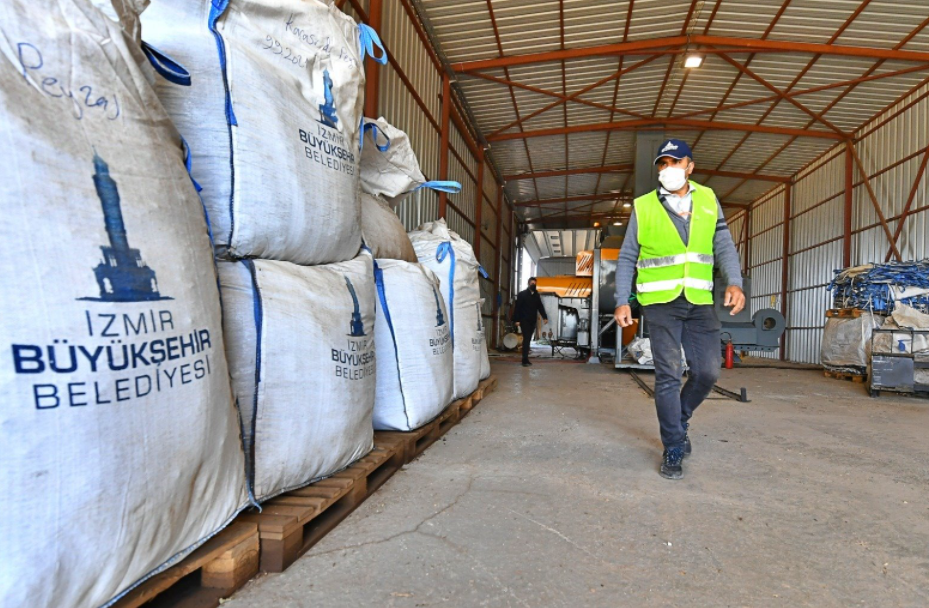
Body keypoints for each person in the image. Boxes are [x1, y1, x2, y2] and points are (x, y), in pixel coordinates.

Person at [613, 138, 745, 480]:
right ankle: (673, 444)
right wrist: (622, 300)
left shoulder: (708, 199)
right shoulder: (644, 206)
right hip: (660, 303)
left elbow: (723, 245)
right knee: (669, 375)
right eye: (662, 163)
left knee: (707, 373)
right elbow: (627, 256)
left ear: (690, 166)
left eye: (674, 161)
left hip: (699, 300)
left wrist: (734, 282)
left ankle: (680, 419)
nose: (667, 168)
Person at [512, 277, 548, 367]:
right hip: (524, 320)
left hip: (532, 321)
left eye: (535, 284)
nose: (533, 285)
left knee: (528, 339)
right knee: (527, 338)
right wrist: (516, 320)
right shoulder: (522, 294)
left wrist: (544, 317)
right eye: (532, 283)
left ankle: (526, 358)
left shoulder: (536, 295)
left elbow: (540, 306)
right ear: (528, 284)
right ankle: (524, 360)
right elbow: (517, 307)